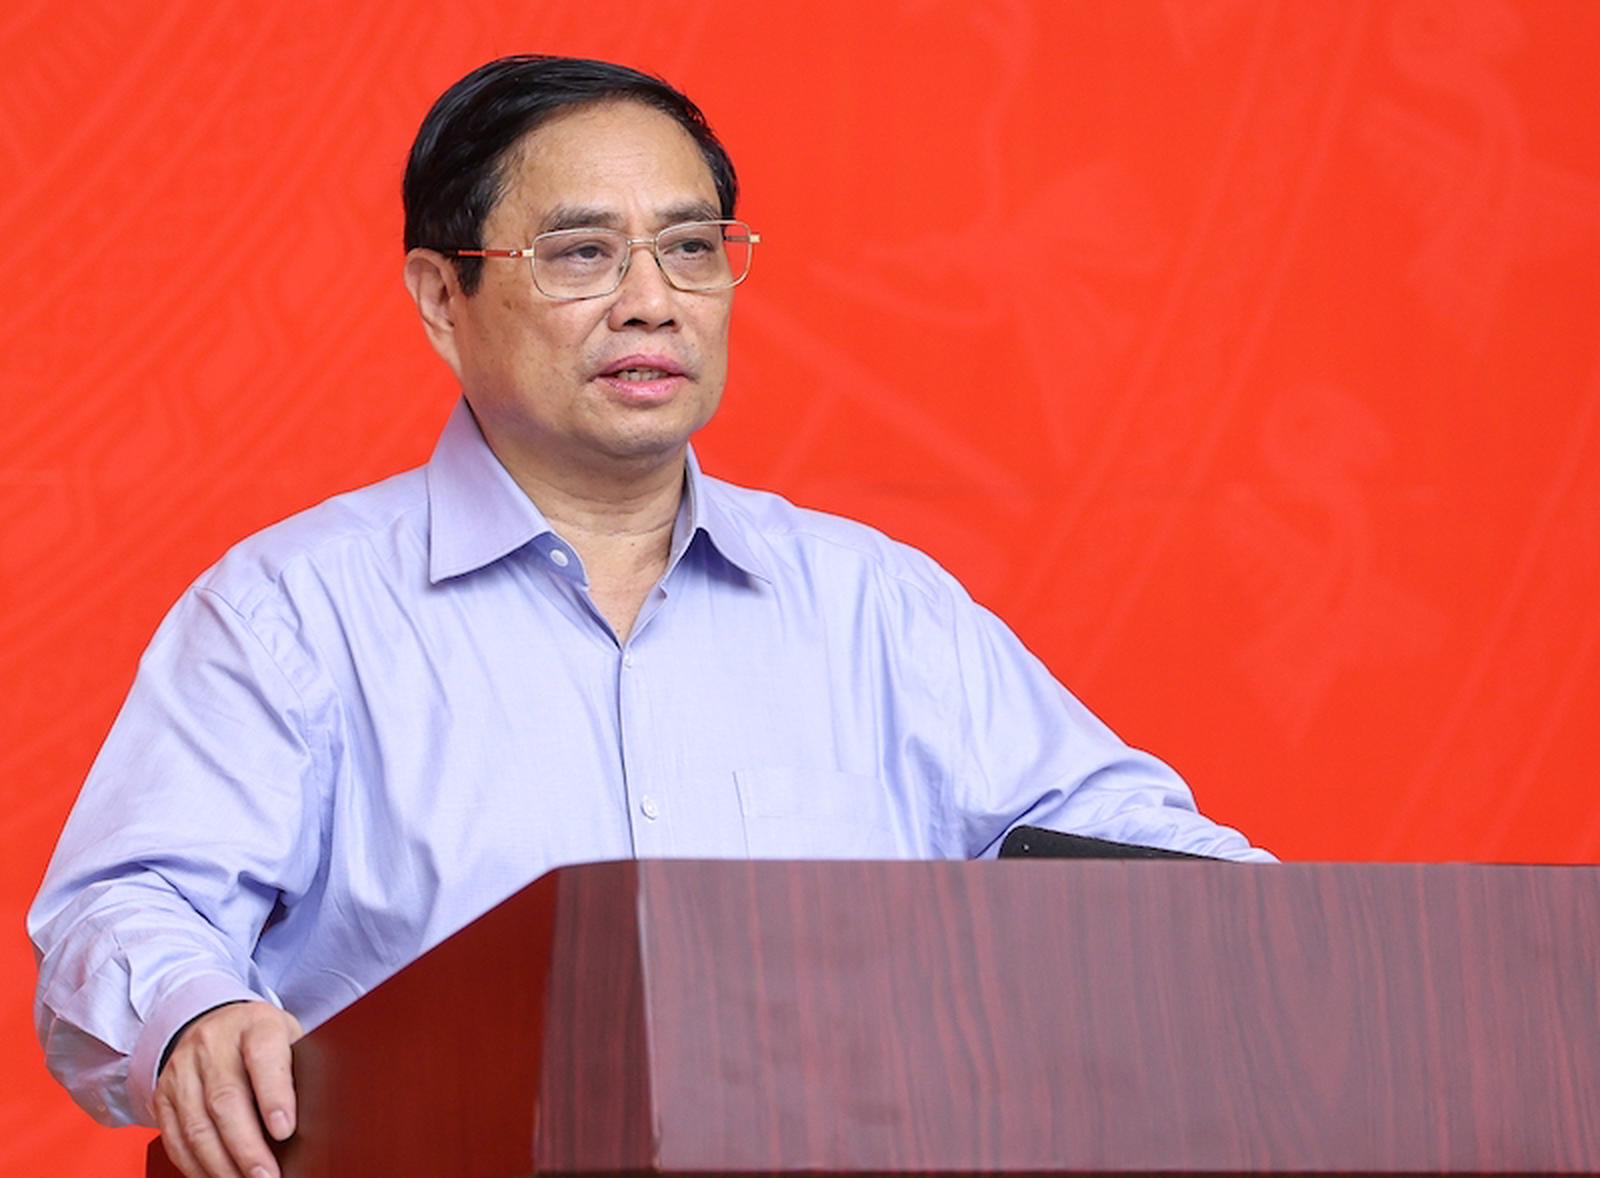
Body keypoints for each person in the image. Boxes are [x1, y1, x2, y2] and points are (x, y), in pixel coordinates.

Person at [29, 55, 1272, 1178]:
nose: (651, 300)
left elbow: (1148, 862)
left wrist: (1285, 943)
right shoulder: (295, 612)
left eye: (689, 247)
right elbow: (127, 905)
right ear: (441, 296)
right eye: (581, 253)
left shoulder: (874, 607)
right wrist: (195, 1013)